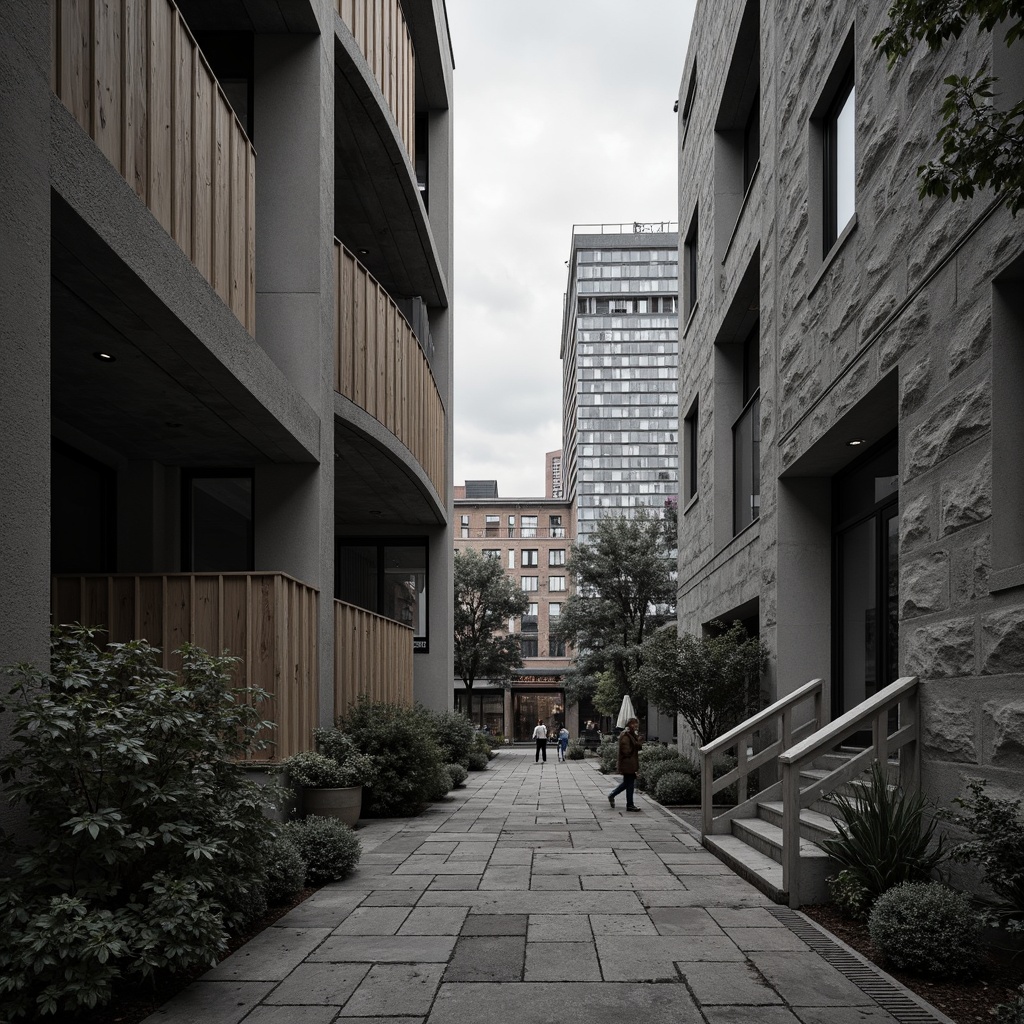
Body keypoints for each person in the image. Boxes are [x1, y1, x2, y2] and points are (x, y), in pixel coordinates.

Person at [608, 717, 643, 811]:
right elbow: (626, 751)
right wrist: (636, 744)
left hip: (631, 763)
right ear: (629, 725)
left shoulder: (632, 735)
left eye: (636, 724)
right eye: (633, 724)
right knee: (629, 784)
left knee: (627, 783)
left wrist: (638, 741)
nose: (635, 726)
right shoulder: (625, 736)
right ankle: (629, 804)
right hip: (627, 764)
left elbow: (638, 747)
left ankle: (614, 795)